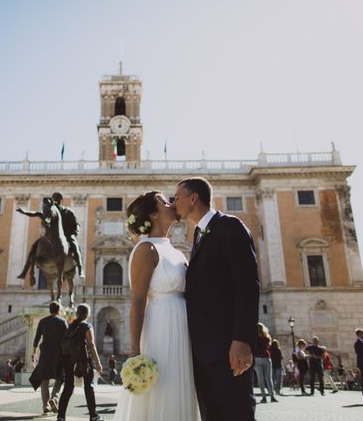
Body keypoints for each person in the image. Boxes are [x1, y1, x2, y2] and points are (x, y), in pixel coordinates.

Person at [174, 178, 260, 421]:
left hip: (227, 349)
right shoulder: (200, 235)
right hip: (204, 352)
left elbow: (246, 286)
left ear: (193, 198)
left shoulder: (229, 226)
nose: (173, 203)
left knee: (236, 413)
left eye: (177, 197)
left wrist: (242, 339)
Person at [114, 191, 199, 421]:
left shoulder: (176, 251)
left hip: (182, 328)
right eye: (164, 202)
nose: (172, 203)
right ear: (153, 214)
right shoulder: (146, 249)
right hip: (160, 328)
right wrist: (134, 351)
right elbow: (138, 301)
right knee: (163, 390)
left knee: (180, 388)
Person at [17, 192, 84, 277]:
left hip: (67, 234)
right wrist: (24, 212)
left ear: (60, 200)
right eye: (54, 199)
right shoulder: (49, 211)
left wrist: (76, 231)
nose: (55, 201)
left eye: (57, 199)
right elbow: (37, 213)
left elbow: (77, 224)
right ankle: (25, 271)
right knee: (35, 246)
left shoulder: (68, 211)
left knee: (76, 247)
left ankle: (81, 269)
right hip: (51, 235)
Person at [56, 303, 104, 421]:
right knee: (88, 387)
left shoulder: (71, 326)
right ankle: (93, 415)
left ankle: (61, 416)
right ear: (88, 314)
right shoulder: (87, 326)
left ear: (77, 314)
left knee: (67, 388)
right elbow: (91, 345)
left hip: (69, 361)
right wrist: (98, 363)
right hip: (83, 361)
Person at [30, 301, 68, 414]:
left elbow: (36, 339)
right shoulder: (63, 322)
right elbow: (66, 340)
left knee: (44, 380)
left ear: (50, 310)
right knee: (60, 378)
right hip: (58, 354)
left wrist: (34, 353)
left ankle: (45, 406)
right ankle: (54, 398)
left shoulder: (43, 321)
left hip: (45, 354)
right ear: (58, 310)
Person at [253, 323, 277, 402]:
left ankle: (264, 397)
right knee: (268, 378)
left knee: (260, 379)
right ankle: (272, 396)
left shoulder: (254, 338)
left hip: (257, 358)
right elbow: (268, 346)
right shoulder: (266, 338)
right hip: (266, 358)